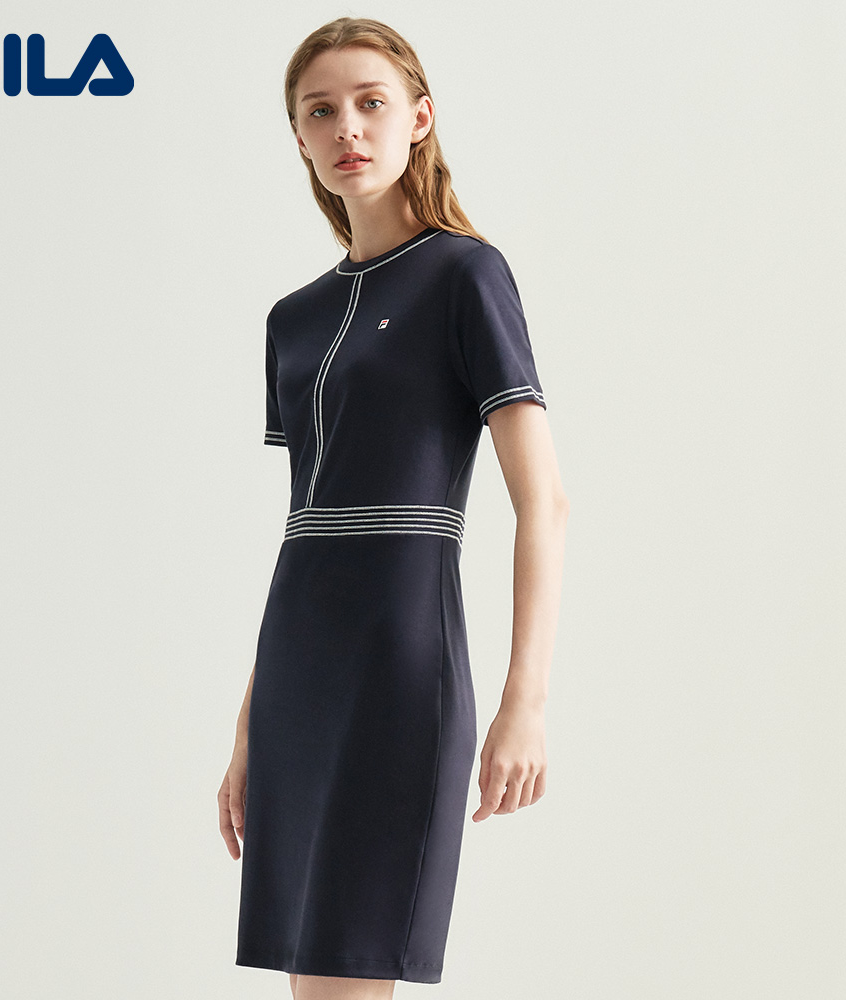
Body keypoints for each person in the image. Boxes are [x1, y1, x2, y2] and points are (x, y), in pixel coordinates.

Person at [218, 16, 568, 1000]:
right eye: (319, 111)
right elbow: (306, 527)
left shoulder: (465, 275)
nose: (347, 128)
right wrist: (249, 726)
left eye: (371, 103)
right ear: (298, 136)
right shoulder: (292, 319)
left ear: (419, 117)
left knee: (352, 971)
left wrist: (525, 701)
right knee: (312, 984)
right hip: (297, 672)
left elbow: (544, 503)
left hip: (401, 665)